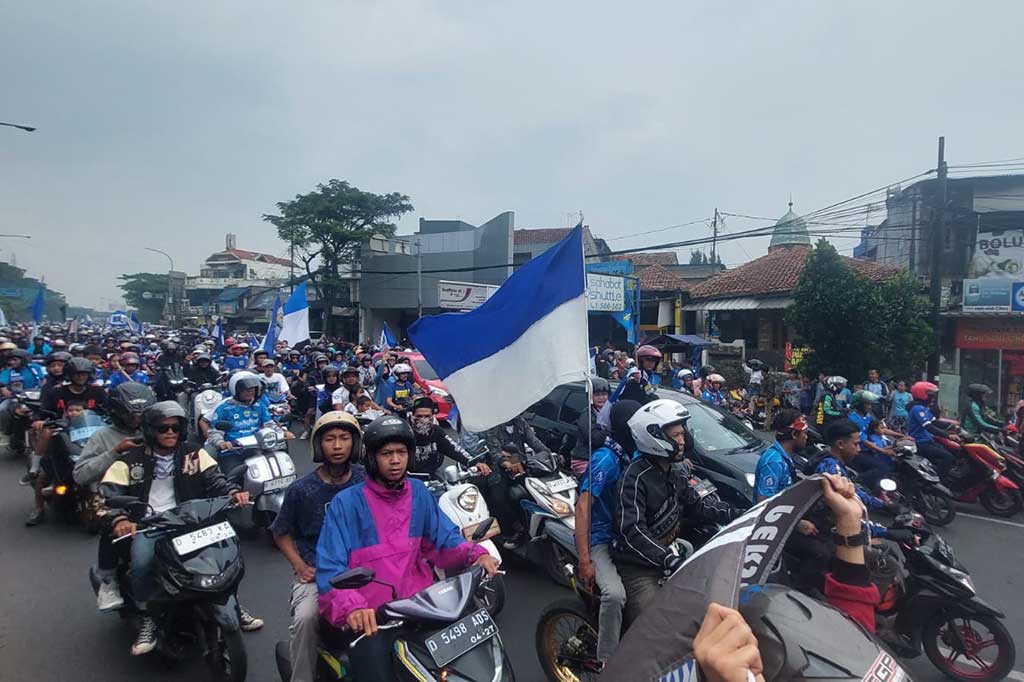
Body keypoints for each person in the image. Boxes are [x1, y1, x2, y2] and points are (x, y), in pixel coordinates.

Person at [315, 416, 499, 682]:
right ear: (371, 458)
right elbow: (331, 568)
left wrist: (475, 553)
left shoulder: (419, 493)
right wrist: (352, 607)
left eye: (401, 452)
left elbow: (443, 541)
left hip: (424, 606)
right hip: (375, 618)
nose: (395, 460)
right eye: (386, 453)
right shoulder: (346, 504)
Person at [96, 401, 256, 655]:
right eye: (163, 428)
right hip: (151, 525)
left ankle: (231, 601)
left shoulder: (195, 452)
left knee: (226, 553)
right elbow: (107, 495)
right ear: (150, 430)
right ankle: (149, 615)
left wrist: (233, 493)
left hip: (191, 520)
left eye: (175, 427)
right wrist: (121, 519)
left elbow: (216, 480)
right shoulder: (129, 461)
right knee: (141, 562)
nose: (170, 432)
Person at [613, 399, 736, 623]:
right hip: (640, 567)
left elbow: (697, 506)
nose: (682, 441)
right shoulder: (634, 477)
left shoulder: (675, 471)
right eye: (676, 435)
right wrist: (666, 558)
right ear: (654, 437)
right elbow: (631, 530)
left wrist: (734, 513)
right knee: (653, 625)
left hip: (671, 553)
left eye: (682, 434)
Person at [271, 412, 366, 682]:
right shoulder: (301, 490)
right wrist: (300, 566)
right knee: (305, 619)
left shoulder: (366, 479)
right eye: (330, 439)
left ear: (355, 443)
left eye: (344, 438)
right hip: (319, 572)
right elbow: (280, 532)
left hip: (364, 567)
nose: (337, 446)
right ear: (318, 445)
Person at [74, 382, 157, 611]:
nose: (137, 418)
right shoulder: (103, 436)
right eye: (131, 413)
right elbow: (80, 474)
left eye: (141, 412)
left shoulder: (156, 429)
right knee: (112, 525)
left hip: (154, 492)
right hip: (113, 495)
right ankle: (108, 581)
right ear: (117, 411)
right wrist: (115, 452)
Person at [574, 400, 641, 667]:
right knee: (614, 595)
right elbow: (582, 508)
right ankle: (607, 662)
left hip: (624, 536)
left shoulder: (632, 454)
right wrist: (584, 560)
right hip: (599, 539)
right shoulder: (606, 459)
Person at [408, 395, 491, 476]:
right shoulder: (405, 431)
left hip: (432, 476)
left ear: (433, 416)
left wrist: (474, 462)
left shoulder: (437, 431)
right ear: (412, 416)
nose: (423, 420)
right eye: (419, 416)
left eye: (427, 416)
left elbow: (454, 448)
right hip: (407, 477)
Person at [202, 371, 276, 459]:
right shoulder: (225, 408)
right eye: (245, 390)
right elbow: (215, 431)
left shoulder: (259, 406)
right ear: (236, 390)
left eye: (252, 389)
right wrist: (221, 443)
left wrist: (282, 431)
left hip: (256, 448)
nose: (249, 392)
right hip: (232, 451)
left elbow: (269, 424)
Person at [845, 391, 902, 493]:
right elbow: (863, 441)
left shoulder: (868, 416)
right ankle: (856, 482)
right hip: (858, 452)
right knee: (882, 468)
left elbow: (880, 429)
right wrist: (883, 451)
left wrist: (901, 436)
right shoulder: (853, 419)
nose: (870, 407)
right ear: (860, 405)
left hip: (869, 450)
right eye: (867, 404)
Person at [753, 409, 808, 502]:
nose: (806, 437)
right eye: (805, 433)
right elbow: (763, 502)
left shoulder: (785, 456)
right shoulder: (774, 462)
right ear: (794, 434)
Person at [906, 381, 955, 478]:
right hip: (920, 442)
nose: (932, 398)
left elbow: (935, 422)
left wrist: (953, 426)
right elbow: (929, 427)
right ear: (922, 395)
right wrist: (949, 436)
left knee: (953, 452)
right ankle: (939, 482)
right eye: (930, 395)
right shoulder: (917, 409)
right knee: (948, 457)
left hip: (928, 440)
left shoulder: (924, 408)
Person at [571, 377, 610, 476]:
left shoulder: (609, 412)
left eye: (604, 394)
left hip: (601, 458)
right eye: (597, 395)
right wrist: (610, 428)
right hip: (584, 459)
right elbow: (595, 439)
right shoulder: (586, 415)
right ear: (590, 396)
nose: (601, 398)